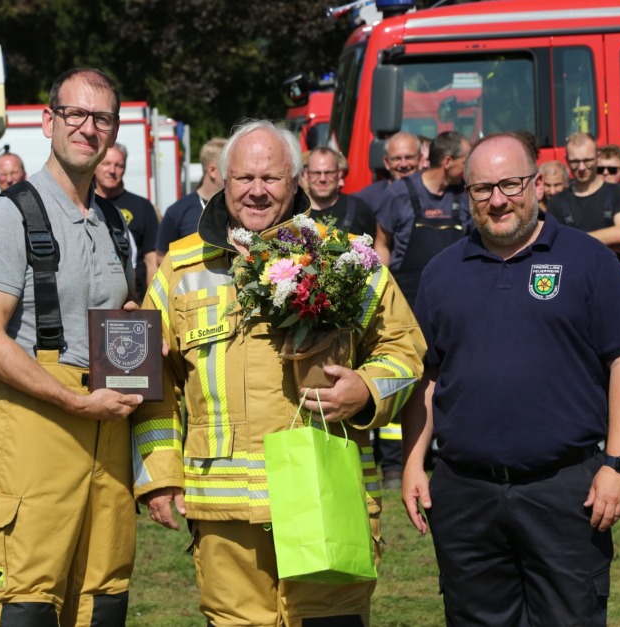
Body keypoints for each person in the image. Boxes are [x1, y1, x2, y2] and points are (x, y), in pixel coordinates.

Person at [135, 119, 425, 626]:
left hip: (323, 497)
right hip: (225, 514)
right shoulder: (180, 269)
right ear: (223, 180)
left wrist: (366, 389)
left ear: (297, 182)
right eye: (244, 177)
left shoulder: (348, 258)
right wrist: (159, 477)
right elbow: (150, 380)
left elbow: (406, 353)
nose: (256, 191)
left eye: (271, 178)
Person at [402, 132, 620, 626]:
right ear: (466, 193)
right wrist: (412, 463)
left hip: (564, 490)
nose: (498, 200)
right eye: (482, 189)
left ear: (537, 184)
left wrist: (619, 465)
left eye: (511, 184)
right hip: (465, 494)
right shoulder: (440, 272)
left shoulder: (588, 260)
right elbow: (425, 375)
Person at [0, 67, 140, 624]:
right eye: (75, 114)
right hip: (31, 431)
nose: (88, 128)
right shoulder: (8, 216)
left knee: (102, 597)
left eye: (101, 118)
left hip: (106, 432)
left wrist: (132, 323)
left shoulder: (114, 224)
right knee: (26, 601)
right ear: (47, 121)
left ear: (112, 131)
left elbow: (112, 321)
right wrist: (78, 403)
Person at [375, 130, 472, 307]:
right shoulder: (398, 193)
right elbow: (382, 244)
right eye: (465, 162)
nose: (468, 169)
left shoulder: (466, 194)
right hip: (406, 297)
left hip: (455, 295)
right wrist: (380, 293)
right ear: (448, 162)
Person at [93, 143, 160, 300]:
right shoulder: (84, 204)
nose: (112, 171)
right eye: (106, 164)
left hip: (135, 300)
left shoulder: (142, 207)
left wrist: (152, 304)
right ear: (95, 166)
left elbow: (152, 262)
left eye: (118, 165)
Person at [547, 132, 620, 253]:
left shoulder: (618, 193)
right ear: (566, 159)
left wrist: (573, 241)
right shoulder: (556, 202)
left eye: (587, 160)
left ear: (598, 157)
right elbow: (557, 245)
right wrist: (609, 241)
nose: (582, 167)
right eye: (575, 162)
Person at [155, 137, 226, 255]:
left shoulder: (237, 207)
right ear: (213, 170)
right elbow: (161, 257)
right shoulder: (177, 211)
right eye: (229, 169)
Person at [305, 145, 376, 237]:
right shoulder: (293, 210)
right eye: (316, 173)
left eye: (328, 173)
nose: (322, 179)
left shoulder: (359, 209)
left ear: (339, 174)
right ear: (306, 174)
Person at [355, 131, 421, 214]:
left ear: (420, 159)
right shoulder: (369, 197)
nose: (403, 164)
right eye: (397, 158)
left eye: (409, 157)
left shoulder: (433, 192)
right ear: (386, 163)